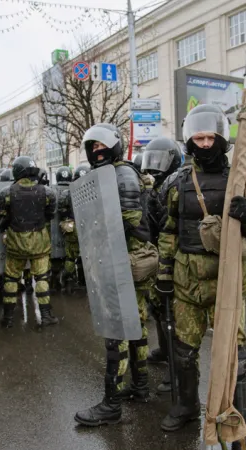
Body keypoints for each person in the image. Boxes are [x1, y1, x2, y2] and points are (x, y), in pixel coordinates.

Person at [155, 106, 246, 450]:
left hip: (227, 280)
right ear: (190, 140)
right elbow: (169, 231)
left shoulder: (244, 181)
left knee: (236, 359)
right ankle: (187, 405)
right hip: (188, 280)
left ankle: (240, 427)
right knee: (184, 352)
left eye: (210, 138)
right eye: (198, 138)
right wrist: (164, 275)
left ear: (221, 139)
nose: (204, 144)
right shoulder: (177, 182)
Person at [74, 123, 157, 426]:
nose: (98, 152)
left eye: (102, 146)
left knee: (117, 330)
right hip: (129, 258)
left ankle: (112, 403)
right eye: (93, 148)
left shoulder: (120, 176)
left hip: (124, 260)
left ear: (115, 146)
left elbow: (131, 224)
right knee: (136, 323)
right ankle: (142, 386)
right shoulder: (119, 171)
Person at [0, 156, 59, 328]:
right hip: (39, 242)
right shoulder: (47, 192)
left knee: (11, 279)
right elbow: (50, 214)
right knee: (42, 279)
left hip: (15, 242)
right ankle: (46, 315)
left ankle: (8, 318)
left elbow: (1, 219)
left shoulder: (6, 193)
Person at [141, 137, 183, 394]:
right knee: (158, 309)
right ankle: (165, 351)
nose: (155, 166)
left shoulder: (175, 185)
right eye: (151, 159)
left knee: (172, 316)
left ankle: (176, 370)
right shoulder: (155, 188)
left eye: (160, 160)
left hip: (174, 260)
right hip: (157, 256)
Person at [59, 164, 90, 288]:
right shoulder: (92, 190)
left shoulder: (67, 193)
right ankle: (83, 281)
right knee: (86, 256)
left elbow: (61, 210)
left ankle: (66, 279)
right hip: (88, 226)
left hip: (72, 227)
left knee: (71, 256)